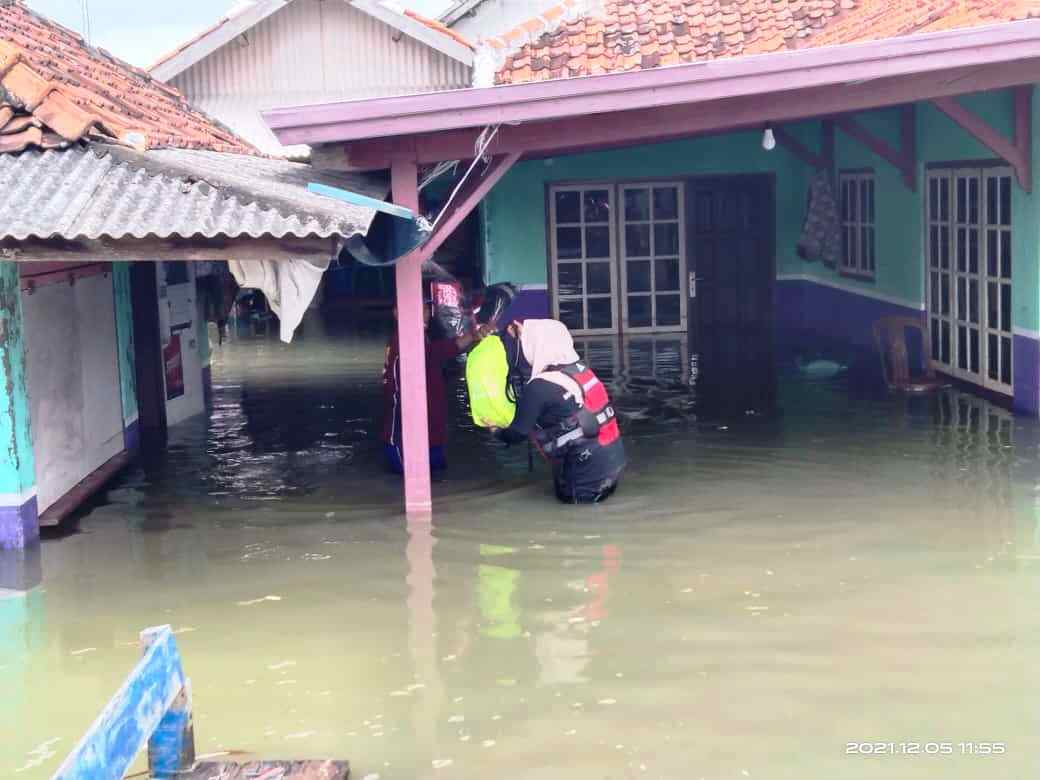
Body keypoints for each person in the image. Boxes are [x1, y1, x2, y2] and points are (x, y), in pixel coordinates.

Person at [493, 319, 625, 504]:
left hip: (585, 474)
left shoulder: (539, 387)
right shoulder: (581, 371)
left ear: (538, 345)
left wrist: (496, 431)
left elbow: (518, 433)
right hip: (612, 462)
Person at [382, 301, 492, 475]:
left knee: (435, 471)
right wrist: (472, 335)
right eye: (422, 309)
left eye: (426, 310)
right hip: (409, 433)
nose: (427, 314)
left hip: (431, 428)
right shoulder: (403, 342)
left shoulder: (418, 339)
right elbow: (439, 351)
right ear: (398, 313)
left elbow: (437, 352)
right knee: (412, 473)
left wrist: (473, 335)